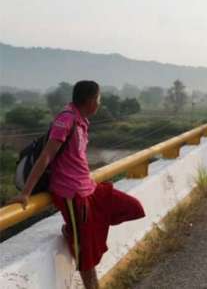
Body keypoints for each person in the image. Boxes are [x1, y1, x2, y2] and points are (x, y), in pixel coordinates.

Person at [8, 81, 145, 289]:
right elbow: (46, 156)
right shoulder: (66, 120)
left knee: (133, 207)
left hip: (89, 188)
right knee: (86, 253)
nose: (99, 103)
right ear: (90, 101)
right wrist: (26, 192)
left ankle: (74, 232)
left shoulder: (81, 120)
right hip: (73, 195)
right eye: (98, 99)